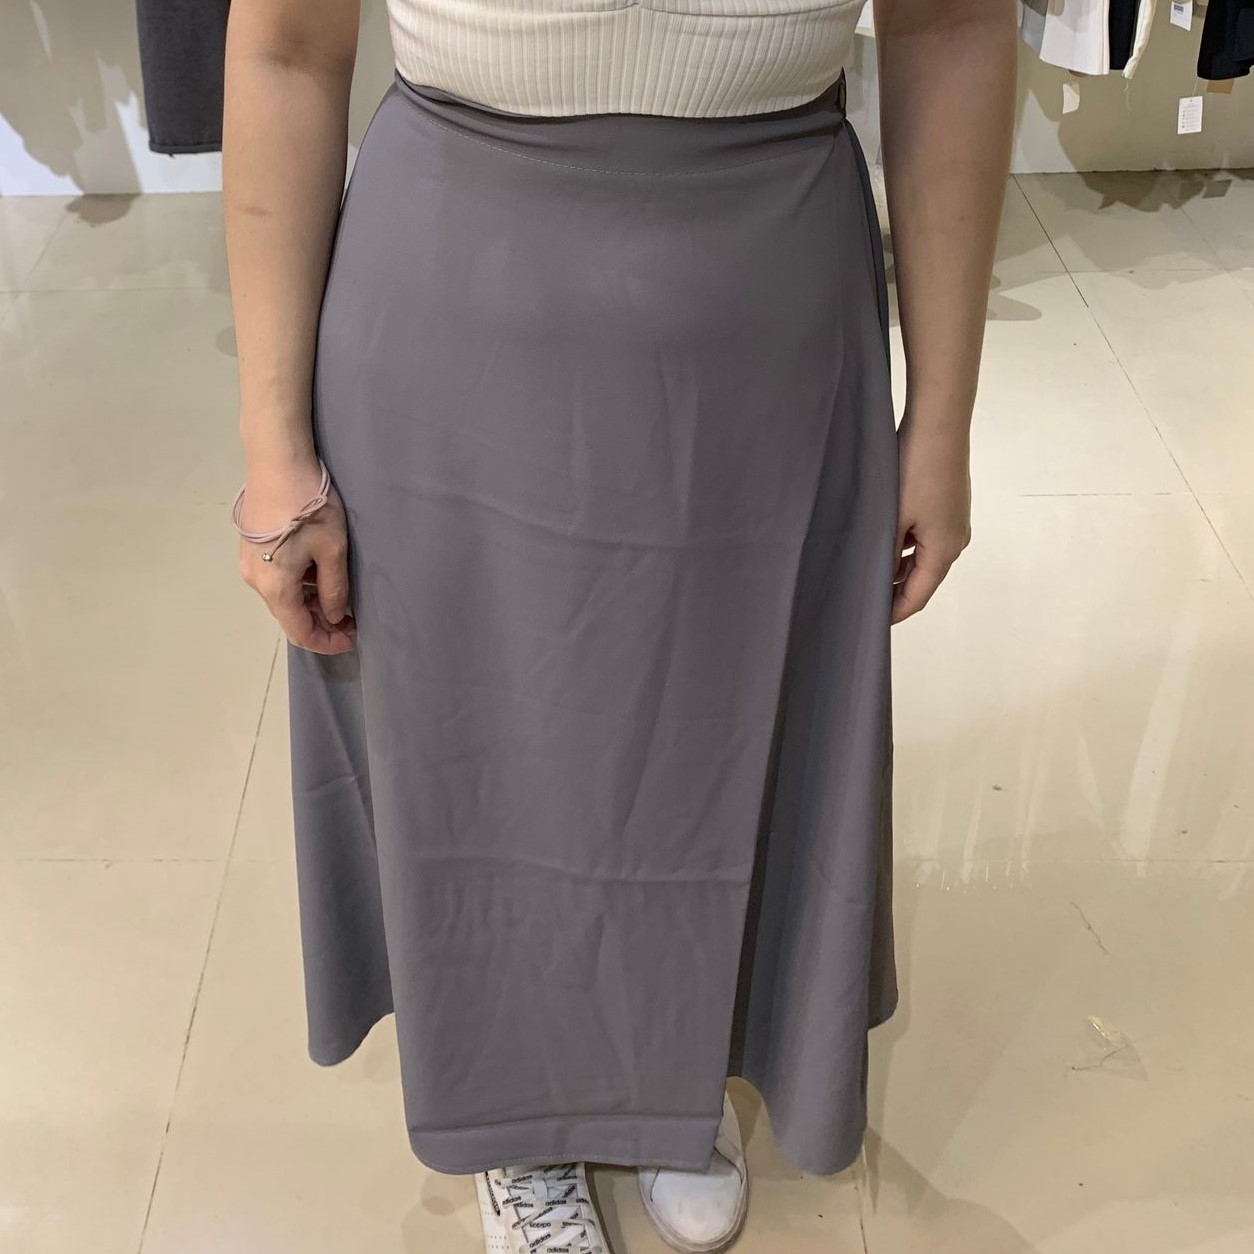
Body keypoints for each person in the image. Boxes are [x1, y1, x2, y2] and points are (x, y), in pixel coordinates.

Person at [224, 0, 1015, 1249]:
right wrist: (274, 448)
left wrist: (944, 422)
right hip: (453, 310)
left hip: (765, 321)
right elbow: (285, 48)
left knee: (713, 722)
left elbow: (953, 27)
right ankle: (513, 1115)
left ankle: (668, 1068)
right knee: (485, 747)